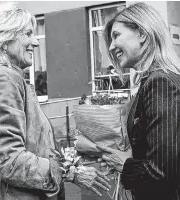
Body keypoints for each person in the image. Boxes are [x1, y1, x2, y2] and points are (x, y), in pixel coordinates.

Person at [0, 2, 111, 200]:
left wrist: (66, 163)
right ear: (4, 39)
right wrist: (69, 172)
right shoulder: (3, 79)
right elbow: (11, 162)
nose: (36, 42)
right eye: (28, 34)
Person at [97, 2, 180, 200]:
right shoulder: (158, 79)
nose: (111, 46)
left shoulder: (160, 82)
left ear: (142, 33)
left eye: (116, 35)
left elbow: (162, 172)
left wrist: (123, 164)